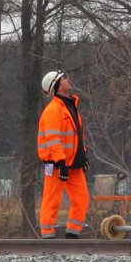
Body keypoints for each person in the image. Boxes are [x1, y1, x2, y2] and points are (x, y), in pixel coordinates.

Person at [37, 70, 89, 239]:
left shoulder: (70, 106)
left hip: (73, 163)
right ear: (57, 86)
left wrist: (83, 156)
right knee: (52, 200)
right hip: (57, 164)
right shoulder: (53, 110)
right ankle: (47, 236)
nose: (68, 80)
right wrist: (60, 163)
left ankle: (72, 236)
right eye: (63, 78)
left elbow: (76, 136)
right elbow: (53, 139)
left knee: (81, 199)